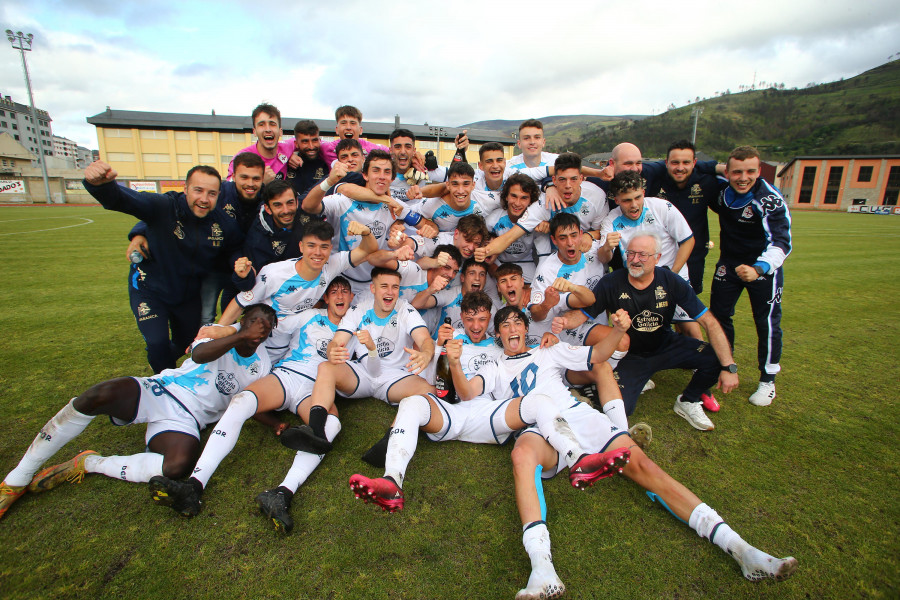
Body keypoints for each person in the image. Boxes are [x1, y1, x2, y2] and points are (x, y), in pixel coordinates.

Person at [507, 308, 798, 598]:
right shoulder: (492, 364)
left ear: (525, 329)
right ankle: (542, 568)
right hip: (538, 427)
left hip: (580, 416)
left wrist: (619, 331)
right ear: (499, 334)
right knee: (522, 455)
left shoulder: (548, 351)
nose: (511, 329)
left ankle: (741, 549)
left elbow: (599, 356)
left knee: (645, 467)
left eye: (516, 323)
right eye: (505, 325)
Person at [348, 303, 633, 513]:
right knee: (411, 403)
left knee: (538, 402)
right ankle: (392, 481)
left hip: (487, 414)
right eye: (470, 319)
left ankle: (578, 459)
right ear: (463, 318)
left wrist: (551, 339)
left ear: (490, 326)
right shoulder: (449, 341)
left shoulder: (499, 353)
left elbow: (501, 372)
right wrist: (436, 350)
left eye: (482, 320)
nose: (475, 325)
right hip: (451, 410)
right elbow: (446, 385)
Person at [0, 305, 275, 521]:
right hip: (162, 390)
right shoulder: (217, 330)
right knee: (97, 395)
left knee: (177, 466)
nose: (259, 330)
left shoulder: (261, 364)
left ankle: (90, 463)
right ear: (242, 320)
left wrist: (273, 423)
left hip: (187, 420)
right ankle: (16, 480)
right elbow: (201, 356)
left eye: (266, 327)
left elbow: (247, 402)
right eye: (253, 321)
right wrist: (239, 333)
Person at [147, 279, 356, 527]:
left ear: (352, 297)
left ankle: (281, 494)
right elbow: (263, 326)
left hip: (315, 390)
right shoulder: (309, 315)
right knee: (242, 400)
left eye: (344, 291)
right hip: (286, 377)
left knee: (330, 425)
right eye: (334, 291)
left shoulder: (358, 323)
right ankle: (194, 484)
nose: (339, 295)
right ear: (326, 298)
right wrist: (228, 329)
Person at [555, 233, 739, 431]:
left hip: (666, 344)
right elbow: (583, 314)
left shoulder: (671, 281)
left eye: (642, 255)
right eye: (630, 253)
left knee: (716, 357)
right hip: (631, 356)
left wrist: (729, 367)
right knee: (620, 407)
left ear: (657, 258)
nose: (634, 260)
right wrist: (563, 321)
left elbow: (709, 322)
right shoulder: (612, 281)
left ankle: (688, 400)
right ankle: (620, 383)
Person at [84, 160, 243, 373]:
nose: (204, 199)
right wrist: (102, 186)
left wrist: (239, 262)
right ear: (185, 189)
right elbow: (126, 200)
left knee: (188, 343)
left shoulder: (222, 223)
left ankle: (167, 368)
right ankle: (164, 387)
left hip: (187, 296)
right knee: (157, 343)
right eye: (198, 190)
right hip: (150, 291)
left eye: (212, 193)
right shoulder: (165, 207)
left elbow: (235, 247)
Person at [278, 268, 436, 454]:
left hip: (395, 377)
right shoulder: (358, 310)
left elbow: (425, 339)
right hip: (363, 374)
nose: (390, 292)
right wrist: (332, 351)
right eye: (384, 286)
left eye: (395, 287)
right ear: (373, 288)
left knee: (429, 391)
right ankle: (316, 430)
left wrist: (426, 353)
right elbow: (337, 341)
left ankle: (390, 441)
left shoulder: (405, 309)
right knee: (326, 367)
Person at [128, 151, 266, 326]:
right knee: (206, 316)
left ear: (262, 179)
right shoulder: (219, 192)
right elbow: (167, 206)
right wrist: (140, 232)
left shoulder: (267, 198)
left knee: (235, 312)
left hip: (242, 265)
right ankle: (202, 347)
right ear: (233, 176)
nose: (250, 183)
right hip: (212, 267)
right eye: (244, 177)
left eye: (256, 179)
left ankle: (228, 350)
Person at [219, 219, 376, 361]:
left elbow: (368, 249)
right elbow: (240, 302)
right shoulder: (274, 274)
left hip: (290, 342)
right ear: (301, 246)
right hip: (261, 340)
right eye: (311, 246)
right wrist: (218, 331)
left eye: (324, 247)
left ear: (330, 248)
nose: (318, 253)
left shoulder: (332, 265)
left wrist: (366, 232)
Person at [709, 146, 792, 406]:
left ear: (758, 171)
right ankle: (725, 365)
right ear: (727, 171)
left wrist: (759, 268)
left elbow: (782, 242)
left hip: (762, 269)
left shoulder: (768, 198)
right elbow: (698, 169)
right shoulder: (721, 189)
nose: (743, 177)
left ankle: (768, 381)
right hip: (728, 265)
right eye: (736, 171)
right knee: (719, 316)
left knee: (766, 322)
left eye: (750, 171)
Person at [481, 153, 608, 261]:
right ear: (554, 179)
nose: (568, 185)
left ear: (581, 178)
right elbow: (509, 237)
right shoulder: (543, 202)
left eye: (573, 179)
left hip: (585, 254)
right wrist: (484, 252)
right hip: (553, 258)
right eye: (562, 179)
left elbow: (604, 232)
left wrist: (589, 235)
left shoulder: (597, 196)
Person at [646, 140, 722, 293]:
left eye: (686, 162)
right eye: (675, 162)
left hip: (693, 260)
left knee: (689, 309)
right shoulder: (655, 180)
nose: (680, 168)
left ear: (694, 163)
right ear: (666, 162)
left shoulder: (706, 183)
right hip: (658, 260)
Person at [484, 174, 552, 285]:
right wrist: (497, 271)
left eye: (524, 198)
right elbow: (484, 251)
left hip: (527, 262)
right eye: (514, 196)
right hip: (500, 263)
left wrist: (532, 288)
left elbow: (544, 258)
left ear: (531, 201)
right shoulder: (492, 221)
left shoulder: (538, 222)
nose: (517, 203)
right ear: (506, 196)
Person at [227, 103, 300, 183]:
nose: (268, 129)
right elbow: (228, 191)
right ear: (254, 132)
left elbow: (309, 141)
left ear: (280, 131)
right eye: (261, 125)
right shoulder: (241, 159)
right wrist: (260, 183)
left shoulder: (287, 147)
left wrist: (292, 154)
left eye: (272, 124)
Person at [318, 105, 389, 166]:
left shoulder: (372, 149)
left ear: (360, 130)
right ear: (337, 129)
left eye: (353, 123)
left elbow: (393, 151)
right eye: (343, 123)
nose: (348, 127)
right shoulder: (327, 148)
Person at [286, 119, 330, 197]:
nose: (311, 146)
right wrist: (288, 155)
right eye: (305, 141)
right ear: (296, 144)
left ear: (320, 141)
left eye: (314, 140)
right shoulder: (286, 163)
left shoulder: (327, 163)